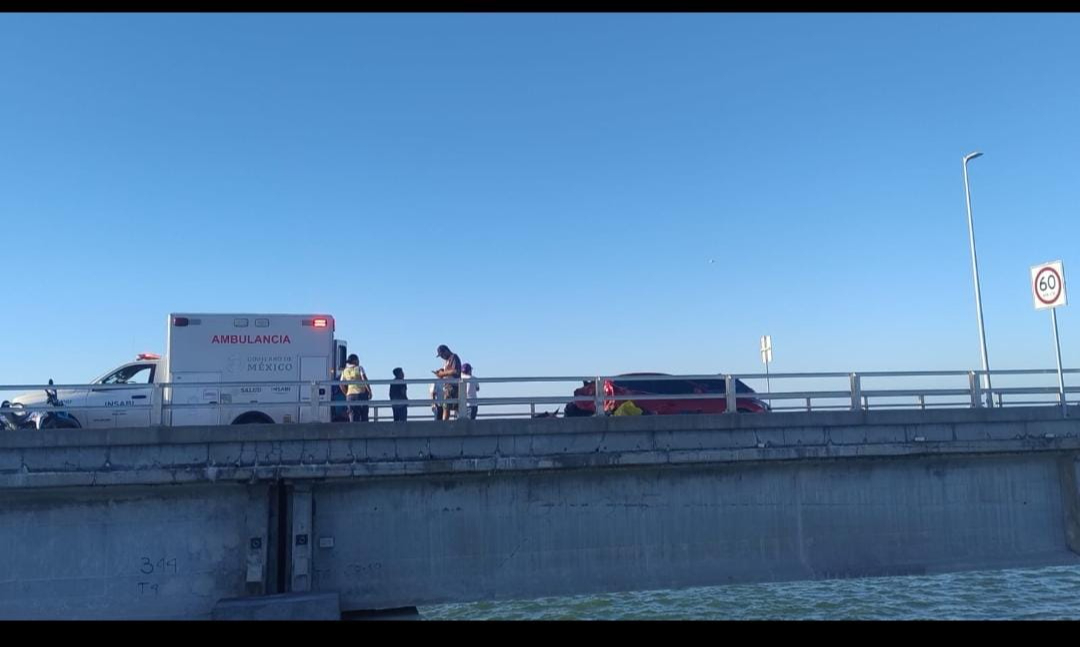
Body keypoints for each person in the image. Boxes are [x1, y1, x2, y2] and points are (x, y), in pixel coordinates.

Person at [433, 344, 462, 421]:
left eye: (442, 355)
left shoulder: (453, 357)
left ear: (446, 351)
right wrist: (441, 372)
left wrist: (442, 374)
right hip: (448, 386)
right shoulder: (447, 360)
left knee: (447, 407)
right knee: (448, 407)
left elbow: (455, 371)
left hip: (452, 386)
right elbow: (449, 371)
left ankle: (445, 424)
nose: (442, 357)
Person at [340, 354, 371, 422]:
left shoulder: (345, 371)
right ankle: (364, 432)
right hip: (361, 394)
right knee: (364, 415)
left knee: (353, 416)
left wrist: (346, 393)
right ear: (355, 361)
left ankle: (354, 431)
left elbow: (341, 384)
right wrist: (370, 391)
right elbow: (364, 379)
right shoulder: (359, 368)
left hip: (350, 396)